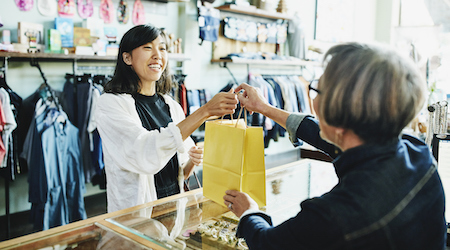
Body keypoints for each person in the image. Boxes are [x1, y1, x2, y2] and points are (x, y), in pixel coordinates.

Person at [223, 42, 446, 249]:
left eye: (319, 90)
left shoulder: (334, 215)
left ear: (340, 118)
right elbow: (329, 138)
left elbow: (267, 244)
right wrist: (264, 108)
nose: (314, 99)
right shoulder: (417, 152)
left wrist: (249, 214)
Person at [96, 24, 238, 213]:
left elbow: (180, 173)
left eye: (162, 48)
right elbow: (144, 153)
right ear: (127, 57)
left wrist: (192, 161)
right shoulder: (110, 104)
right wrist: (205, 111)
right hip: (136, 215)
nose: (157, 55)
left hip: (173, 210)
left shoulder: (172, 106)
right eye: (147, 48)